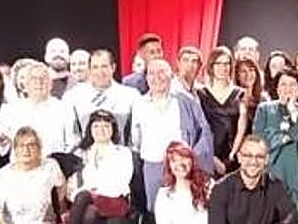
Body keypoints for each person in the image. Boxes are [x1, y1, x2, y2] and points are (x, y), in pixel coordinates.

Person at [64, 109, 134, 224]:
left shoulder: (123, 153)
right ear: (89, 129)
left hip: (114, 202)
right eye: (96, 125)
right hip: (89, 207)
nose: (101, 129)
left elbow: (120, 184)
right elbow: (72, 188)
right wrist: (90, 190)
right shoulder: (81, 154)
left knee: (84, 196)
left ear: (113, 129)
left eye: (106, 125)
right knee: (89, 211)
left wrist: (93, 189)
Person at [130, 59, 214, 210]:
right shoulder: (139, 104)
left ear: (171, 75)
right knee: (155, 210)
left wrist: (193, 159)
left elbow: (204, 132)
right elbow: (136, 139)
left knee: (185, 207)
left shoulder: (186, 102)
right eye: (151, 73)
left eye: (161, 72)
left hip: (181, 165)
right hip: (153, 165)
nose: (157, 77)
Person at [252, 70, 298, 211]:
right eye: (283, 84)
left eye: (293, 85)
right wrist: (285, 138)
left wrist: (293, 111)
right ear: (277, 88)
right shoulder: (265, 109)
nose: (288, 89)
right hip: (271, 171)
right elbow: (259, 142)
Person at [0, 60, 76, 160]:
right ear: (26, 84)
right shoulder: (12, 110)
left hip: (53, 168)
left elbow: (72, 144)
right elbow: (1, 149)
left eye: (43, 78)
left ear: (51, 84)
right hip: (21, 169)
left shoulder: (64, 109)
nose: (39, 82)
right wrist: (1, 142)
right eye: (34, 79)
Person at [63, 48, 141, 141]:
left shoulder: (131, 96)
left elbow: (136, 133)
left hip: (122, 153)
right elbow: (71, 135)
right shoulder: (72, 96)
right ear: (89, 70)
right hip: (85, 153)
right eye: (95, 67)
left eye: (104, 66)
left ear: (113, 67)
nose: (100, 72)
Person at [197, 47, 248, 176]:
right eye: (218, 63)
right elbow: (200, 128)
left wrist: (231, 157)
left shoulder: (240, 94)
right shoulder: (201, 94)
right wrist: (212, 158)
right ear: (211, 66)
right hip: (208, 154)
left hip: (234, 155)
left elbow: (242, 128)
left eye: (226, 63)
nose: (223, 68)